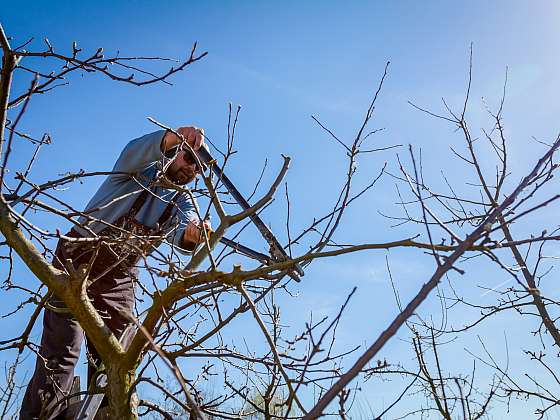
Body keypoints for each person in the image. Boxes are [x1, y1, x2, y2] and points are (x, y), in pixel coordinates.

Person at [20, 126, 210, 419]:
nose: (192, 169)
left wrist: (195, 233)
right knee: (62, 353)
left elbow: (185, 229)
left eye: (198, 167)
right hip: (77, 262)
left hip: (120, 281)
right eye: (188, 158)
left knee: (116, 363)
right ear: (174, 151)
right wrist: (175, 136)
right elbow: (142, 146)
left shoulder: (181, 201)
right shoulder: (137, 168)